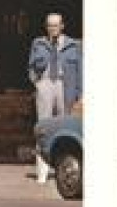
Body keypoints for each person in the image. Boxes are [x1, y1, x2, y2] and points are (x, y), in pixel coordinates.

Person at [28, 13, 82, 183]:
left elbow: (80, 72)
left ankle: (62, 169)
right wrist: (37, 83)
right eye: (50, 25)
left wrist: (81, 94)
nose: (53, 28)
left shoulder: (73, 45)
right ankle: (42, 173)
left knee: (64, 125)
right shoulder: (38, 43)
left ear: (62, 26)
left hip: (65, 87)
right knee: (43, 128)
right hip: (45, 85)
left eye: (56, 25)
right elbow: (31, 67)